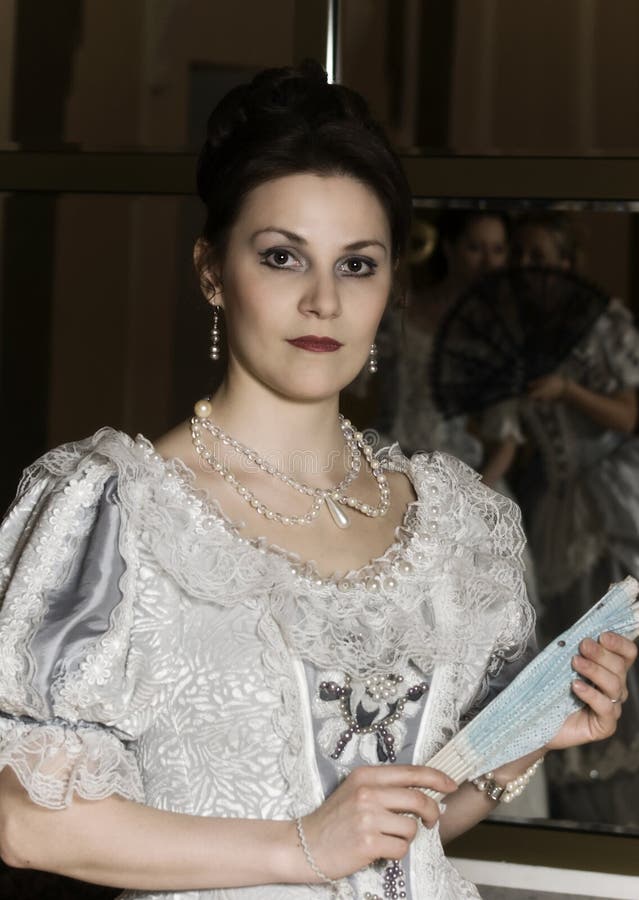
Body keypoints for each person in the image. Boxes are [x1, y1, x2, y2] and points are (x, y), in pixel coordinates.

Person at [0, 64, 635, 900]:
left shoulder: (454, 521)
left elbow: (408, 827)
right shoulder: (117, 508)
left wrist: (531, 734)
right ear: (211, 271)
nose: (322, 301)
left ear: (386, 288)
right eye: (280, 257)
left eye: (358, 265)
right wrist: (300, 847)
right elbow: (29, 822)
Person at [508, 210, 639, 825]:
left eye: (544, 256)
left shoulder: (604, 320)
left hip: (611, 498)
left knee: (611, 633)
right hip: (554, 505)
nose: (534, 268)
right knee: (563, 641)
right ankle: (573, 802)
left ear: (568, 261)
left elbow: (628, 414)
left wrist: (567, 392)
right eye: (524, 257)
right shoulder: (517, 331)